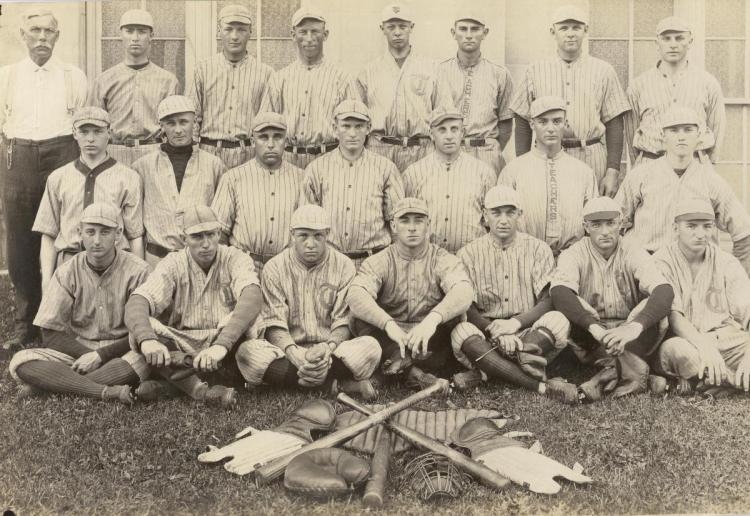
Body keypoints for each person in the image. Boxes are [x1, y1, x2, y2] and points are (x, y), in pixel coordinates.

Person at [0, 8, 87, 349]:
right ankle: (25, 324)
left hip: (62, 152)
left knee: (65, 235)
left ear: (57, 36)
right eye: (34, 31)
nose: (41, 38)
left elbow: (82, 123)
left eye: (48, 31)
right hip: (17, 155)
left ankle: (61, 318)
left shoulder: (72, 76)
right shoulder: (6, 77)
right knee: (20, 240)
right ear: (22, 36)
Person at [9, 203, 150, 404]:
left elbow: (146, 327)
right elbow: (49, 332)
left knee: (144, 360)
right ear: (79, 232)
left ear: (118, 234)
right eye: (90, 232)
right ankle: (106, 390)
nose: (97, 240)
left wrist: (102, 356)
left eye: (105, 232)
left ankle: (51, 385)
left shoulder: (139, 271)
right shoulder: (67, 272)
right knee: (21, 361)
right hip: (78, 353)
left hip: (124, 351)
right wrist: (91, 356)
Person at [124, 205, 263, 408]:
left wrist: (221, 345)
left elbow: (252, 296)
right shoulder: (173, 262)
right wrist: (147, 340)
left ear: (219, 233)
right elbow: (138, 301)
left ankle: (175, 386)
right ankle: (202, 391)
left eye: (210, 234)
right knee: (144, 329)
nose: (206, 244)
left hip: (223, 344)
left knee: (249, 321)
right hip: (183, 343)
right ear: (184, 239)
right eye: (197, 237)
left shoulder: (235, 257)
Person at [236, 205, 381, 399]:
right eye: (303, 235)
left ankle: (293, 382)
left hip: (331, 350)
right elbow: (274, 323)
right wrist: (295, 355)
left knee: (371, 347)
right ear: (292, 235)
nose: (310, 243)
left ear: (327, 234)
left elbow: (343, 321)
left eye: (318, 236)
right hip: (288, 350)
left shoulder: (344, 265)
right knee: (247, 352)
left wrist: (328, 351)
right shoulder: (275, 267)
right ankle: (331, 384)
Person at [449, 186, 577, 404]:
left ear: (520, 215)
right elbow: (466, 307)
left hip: (528, 333)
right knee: (461, 331)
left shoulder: (538, 248)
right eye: (496, 212)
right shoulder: (468, 253)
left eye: (510, 212)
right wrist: (495, 332)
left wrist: (515, 324)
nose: (503, 220)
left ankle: (488, 371)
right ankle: (539, 385)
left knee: (559, 321)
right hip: (488, 333)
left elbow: (548, 300)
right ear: (484, 215)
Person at [550, 197, 674, 400]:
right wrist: (594, 328)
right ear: (586, 227)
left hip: (630, 337)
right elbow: (559, 293)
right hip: (593, 336)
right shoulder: (574, 253)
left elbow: (664, 291)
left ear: (621, 223)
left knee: (653, 310)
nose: (605, 231)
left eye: (611, 223)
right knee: (569, 303)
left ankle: (601, 378)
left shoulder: (634, 250)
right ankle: (639, 375)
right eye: (596, 224)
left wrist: (633, 328)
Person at [347, 197, 474, 388]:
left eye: (418, 220)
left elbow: (464, 290)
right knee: (360, 319)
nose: (412, 227)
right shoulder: (380, 260)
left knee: (455, 317)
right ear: (394, 226)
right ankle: (413, 373)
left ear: (428, 225)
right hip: (390, 337)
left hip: (428, 338)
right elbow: (356, 295)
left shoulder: (441, 258)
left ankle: (396, 369)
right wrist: (388, 324)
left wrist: (432, 320)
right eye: (405, 220)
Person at [510, 5, 630, 197]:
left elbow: (615, 123)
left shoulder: (603, 70)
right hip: (546, 156)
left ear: (585, 31)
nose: (570, 34)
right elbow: (522, 121)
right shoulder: (535, 70)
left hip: (590, 154)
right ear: (553, 31)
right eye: (564, 28)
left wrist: (613, 170)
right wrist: (524, 164)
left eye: (576, 27)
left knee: (591, 219)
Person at [616, 105, 750, 275]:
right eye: (674, 130)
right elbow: (614, 225)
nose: (681, 137)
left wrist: (736, 277)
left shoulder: (711, 180)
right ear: (663, 136)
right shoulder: (640, 176)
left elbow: (744, 233)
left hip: (696, 270)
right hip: (648, 268)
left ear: (699, 135)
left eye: (688, 130)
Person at [32, 106, 144, 295]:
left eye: (98, 131)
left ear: (109, 133)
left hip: (114, 265)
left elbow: (135, 236)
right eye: (84, 132)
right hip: (69, 263)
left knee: (112, 323)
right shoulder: (58, 177)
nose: (90, 138)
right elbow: (48, 234)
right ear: (74, 133)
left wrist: (138, 282)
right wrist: (47, 282)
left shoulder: (128, 177)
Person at [653, 197, 750, 396]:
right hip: (687, 342)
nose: (700, 234)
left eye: (707, 226)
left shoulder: (726, 262)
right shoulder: (661, 261)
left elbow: (747, 309)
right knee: (677, 352)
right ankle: (738, 383)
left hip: (727, 340)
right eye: (691, 226)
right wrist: (705, 347)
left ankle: (714, 382)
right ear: (675, 228)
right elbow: (674, 316)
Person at [300, 99, 404, 268]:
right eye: (346, 126)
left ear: (368, 128)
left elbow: (397, 223)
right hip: (330, 262)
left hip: (374, 261)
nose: (352, 133)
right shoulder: (316, 169)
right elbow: (307, 223)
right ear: (335, 128)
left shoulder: (386, 168)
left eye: (359, 126)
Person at [357, 3, 453, 172]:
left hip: (422, 150)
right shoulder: (368, 72)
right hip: (380, 150)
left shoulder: (432, 68)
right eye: (391, 27)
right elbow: (358, 119)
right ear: (382, 29)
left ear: (411, 27)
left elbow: (444, 114)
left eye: (403, 26)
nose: (397, 32)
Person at [132, 95, 226, 267]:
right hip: (156, 260)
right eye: (171, 123)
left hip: (199, 260)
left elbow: (221, 219)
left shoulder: (214, 165)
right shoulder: (142, 166)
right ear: (161, 127)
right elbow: (136, 227)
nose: (178, 130)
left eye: (184, 122)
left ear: (195, 124)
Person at [260, 8, 358, 169]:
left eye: (315, 32)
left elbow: (354, 127)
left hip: (329, 159)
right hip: (288, 160)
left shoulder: (342, 78)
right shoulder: (279, 78)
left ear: (325, 35)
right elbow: (265, 125)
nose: (309, 38)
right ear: (293, 35)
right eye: (303, 32)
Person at [499, 96, 597, 256]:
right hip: (524, 257)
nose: (550, 128)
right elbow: (502, 223)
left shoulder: (583, 172)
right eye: (543, 122)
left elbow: (592, 224)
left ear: (565, 124)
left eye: (557, 121)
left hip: (571, 259)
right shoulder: (513, 171)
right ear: (532, 124)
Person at [625, 16, 725, 165]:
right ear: (657, 42)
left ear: (690, 41)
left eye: (679, 38)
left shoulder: (707, 83)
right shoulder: (639, 85)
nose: (673, 45)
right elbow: (631, 132)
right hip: (652, 163)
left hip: (694, 165)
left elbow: (716, 129)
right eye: (666, 38)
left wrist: (705, 167)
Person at [211, 112, 304, 272]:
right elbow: (218, 234)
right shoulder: (233, 178)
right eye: (263, 137)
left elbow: (308, 231)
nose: (270, 144)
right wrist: (234, 263)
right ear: (253, 141)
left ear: (286, 142)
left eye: (277, 137)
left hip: (289, 269)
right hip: (243, 267)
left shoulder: (302, 178)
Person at [88, 9, 180, 166]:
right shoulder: (104, 80)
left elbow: (174, 126)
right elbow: (94, 126)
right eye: (129, 31)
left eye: (142, 32)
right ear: (121, 35)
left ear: (151, 36)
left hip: (154, 151)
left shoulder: (168, 81)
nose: (135, 38)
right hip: (114, 151)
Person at [189, 4, 273, 168]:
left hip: (249, 154)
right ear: (219, 32)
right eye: (228, 29)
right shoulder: (203, 69)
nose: (234, 36)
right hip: (208, 152)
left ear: (250, 32)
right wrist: (194, 156)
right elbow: (193, 119)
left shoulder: (265, 73)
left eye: (241, 29)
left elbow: (265, 123)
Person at [403, 108, 495, 253]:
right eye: (442, 130)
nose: (449, 136)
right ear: (432, 134)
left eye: (454, 129)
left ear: (462, 133)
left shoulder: (484, 173)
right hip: (428, 259)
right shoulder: (413, 174)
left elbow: (492, 223)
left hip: (473, 257)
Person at [438, 10, 513, 175]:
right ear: (453, 33)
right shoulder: (439, 72)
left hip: (486, 152)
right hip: (450, 152)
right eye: (463, 29)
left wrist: (491, 147)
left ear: (484, 33)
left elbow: (506, 122)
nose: (469, 35)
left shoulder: (499, 73)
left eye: (475, 29)